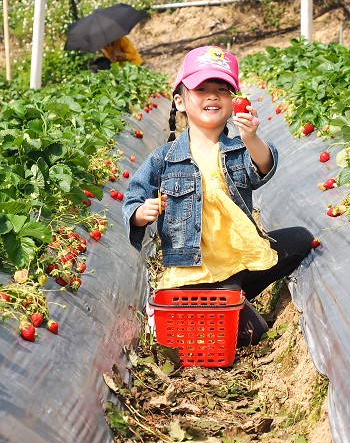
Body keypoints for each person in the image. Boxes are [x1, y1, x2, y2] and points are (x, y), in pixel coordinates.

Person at [123, 45, 314, 347]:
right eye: (201, 88)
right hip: (195, 272)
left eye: (222, 89)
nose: (212, 95)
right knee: (254, 335)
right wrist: (140, 212)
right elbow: (134, 197)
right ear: (180, 101)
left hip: (237, 260)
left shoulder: (238, 150)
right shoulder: (164, 158)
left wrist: (251, 137)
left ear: (232, 100)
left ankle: (231, 298)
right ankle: (204, 304)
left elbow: (262, 167)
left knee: (301, 238)